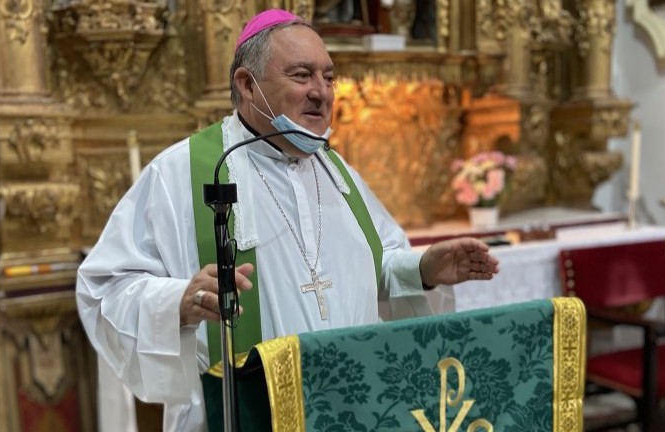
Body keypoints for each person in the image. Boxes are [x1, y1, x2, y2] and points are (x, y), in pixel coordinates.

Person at [76, 8, 499, 432]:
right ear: (247, 84)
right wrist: (178, 303)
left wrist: (422, 269)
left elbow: (371, 271)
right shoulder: (181, 172)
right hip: (245, 415)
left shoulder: (338, 174)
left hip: (355, 410)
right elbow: (104, 288)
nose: (322, 92)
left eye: (328, 77)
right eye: (302, 75)